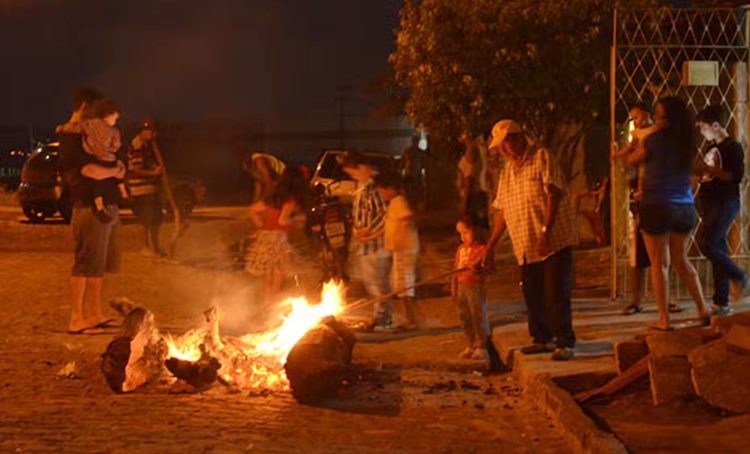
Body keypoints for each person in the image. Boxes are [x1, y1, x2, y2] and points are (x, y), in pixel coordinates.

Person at [485, 119, 578, 361]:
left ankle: (564, 342)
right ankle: (542, 339)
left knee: (555, 292)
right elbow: (503, 211)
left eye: (506, 144)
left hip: (551, 241)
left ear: (517, 138)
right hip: (525, 244)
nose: (503, 151)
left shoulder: (541, 157)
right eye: (500, 147)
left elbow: (553, 193)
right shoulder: (508, 173)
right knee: (533, 294)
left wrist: (546, 231)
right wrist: (490, 246)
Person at [627, 96, 709, 330]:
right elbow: (696, 170)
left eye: (660, 115)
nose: (656, 119)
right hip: (684, 208)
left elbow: (633, 160)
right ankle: (703, 308)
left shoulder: (653, 140)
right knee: (681, 260)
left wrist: (631, 150)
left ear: (668, 119)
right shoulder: (686, 143)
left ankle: (664, 319)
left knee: (659, 264)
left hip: (657, 206)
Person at [57, 88, 124, 334]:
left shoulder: (92, 134)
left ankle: (94, 314)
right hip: (88, 206)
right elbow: (87, 171)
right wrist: (115, 171)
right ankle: (77, 318)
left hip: (106, 203)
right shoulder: (72, 137)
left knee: (98, 264)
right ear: (86, 106)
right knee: (85, 262)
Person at [613, 102, 683, 315]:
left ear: (648, 115)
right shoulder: (642, 137)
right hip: (641, 201)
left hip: (657, 199)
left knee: (662, 255)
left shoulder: (656, 137)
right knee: (639, 255)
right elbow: (630, 162)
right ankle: (637, 299)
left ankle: (664, 299)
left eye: (636, 117)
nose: (634, 122)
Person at [695, 105, 749, 316]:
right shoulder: (711, 149)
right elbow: (705, 177)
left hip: (725, 203)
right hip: (710, 205)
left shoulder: (732, 147)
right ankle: (721, 302)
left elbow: (734, 177)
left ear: (716, 126)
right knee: (718, 250)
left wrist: (708, 169)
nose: (701, 132)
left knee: (706, 243)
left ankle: (741, 277)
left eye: (702, 127)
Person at [338, 151, 392, 331]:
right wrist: (356, 229)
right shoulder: (363, 185)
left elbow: (386, 213)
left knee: (377, 282)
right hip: (365, 243)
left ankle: (382, 319)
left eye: (352, 172)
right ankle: (381, 316)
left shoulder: (377, 185)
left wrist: (368, 230)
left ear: (361, 167)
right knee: (372, 281)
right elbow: (361, 213)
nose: (351, 176)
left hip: (376, 244)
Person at [245, 169, 306, 304]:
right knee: (279, 270)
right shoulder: (290, 201)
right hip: (278, 238)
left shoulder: (271, 198)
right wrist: (296, 220)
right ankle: (273, 302)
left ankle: (267, 302)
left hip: (264, 237)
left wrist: (260, 225)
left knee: (268, 271)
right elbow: (282, 221)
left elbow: (252, 210)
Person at [376, 172, 418, 330]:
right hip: (400, 250)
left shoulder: (399, 201)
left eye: (381, 191)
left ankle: (411, 320)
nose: (381, 194)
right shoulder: (395, 202)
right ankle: (410, 319)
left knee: (404, 286)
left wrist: (401, 232)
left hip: (405, 250)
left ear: (389, 189)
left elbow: (408, 216)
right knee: (400, 286)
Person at [452, 216, 491, 361]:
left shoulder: (483, 250)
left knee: (478, 315)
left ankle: (482, 346)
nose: (463, 237)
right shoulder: (460, 249)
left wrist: (479, 269)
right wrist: (453, 287)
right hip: (462, 286)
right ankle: (470, 344)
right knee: (464, 316)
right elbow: (455, 269)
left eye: (466, 232)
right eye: (460, 234)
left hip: (475, 286)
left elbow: (491, 269)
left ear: (476, 230)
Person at [127, 117, 165, 256]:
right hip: (141, 189)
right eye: (151, 131)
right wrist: (153, 172)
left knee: (156, 218)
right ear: (144, 131)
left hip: (150, 187)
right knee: (146, 219)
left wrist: (156, 169)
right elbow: (135, 169)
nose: (154, 135)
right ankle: (145, 247)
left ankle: (155, 246)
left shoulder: (149, 145)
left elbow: (149, 163)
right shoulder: (137, 145)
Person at [457, 133, 489, 229]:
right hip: (475, 197)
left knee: (472, 229)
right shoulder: (479, 152)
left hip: (472, 198)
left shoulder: (471, 155)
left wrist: (465, 202)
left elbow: (469, 180)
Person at [400, 136, 425, 209]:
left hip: (417, 175)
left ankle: (415, 205)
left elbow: (423, 164)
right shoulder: (408, 152)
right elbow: (402, 163)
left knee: (416, 191)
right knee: (409, 191)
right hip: (409, 175)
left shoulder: (420, 152)